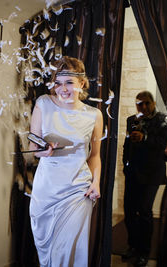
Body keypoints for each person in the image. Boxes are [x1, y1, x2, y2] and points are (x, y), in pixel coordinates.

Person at [29, 56, 103, 267]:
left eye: (69, 82)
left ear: (81, 83)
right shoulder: (43, 103)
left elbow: (95, 155)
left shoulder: (94, 115)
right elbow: (34, 149)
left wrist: (96, 182)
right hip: (46, 191)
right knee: (50, 256)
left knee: (69, 252)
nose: (63, 89)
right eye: (58, 83)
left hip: (77, 191)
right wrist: (45, 151)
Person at [122, 91, 167, 266]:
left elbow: (166, 145)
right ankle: (133, 246)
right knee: (129, 212)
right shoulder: (132, 120)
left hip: (152, 173)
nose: (144, 107)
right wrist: (125, 164)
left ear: (153, 103)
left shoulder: (163, 120)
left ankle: (144, 252)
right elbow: (127, 143)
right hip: (133, 173)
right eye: (140, 103)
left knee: (145, 212)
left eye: (147, 103)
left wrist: (145, 137)